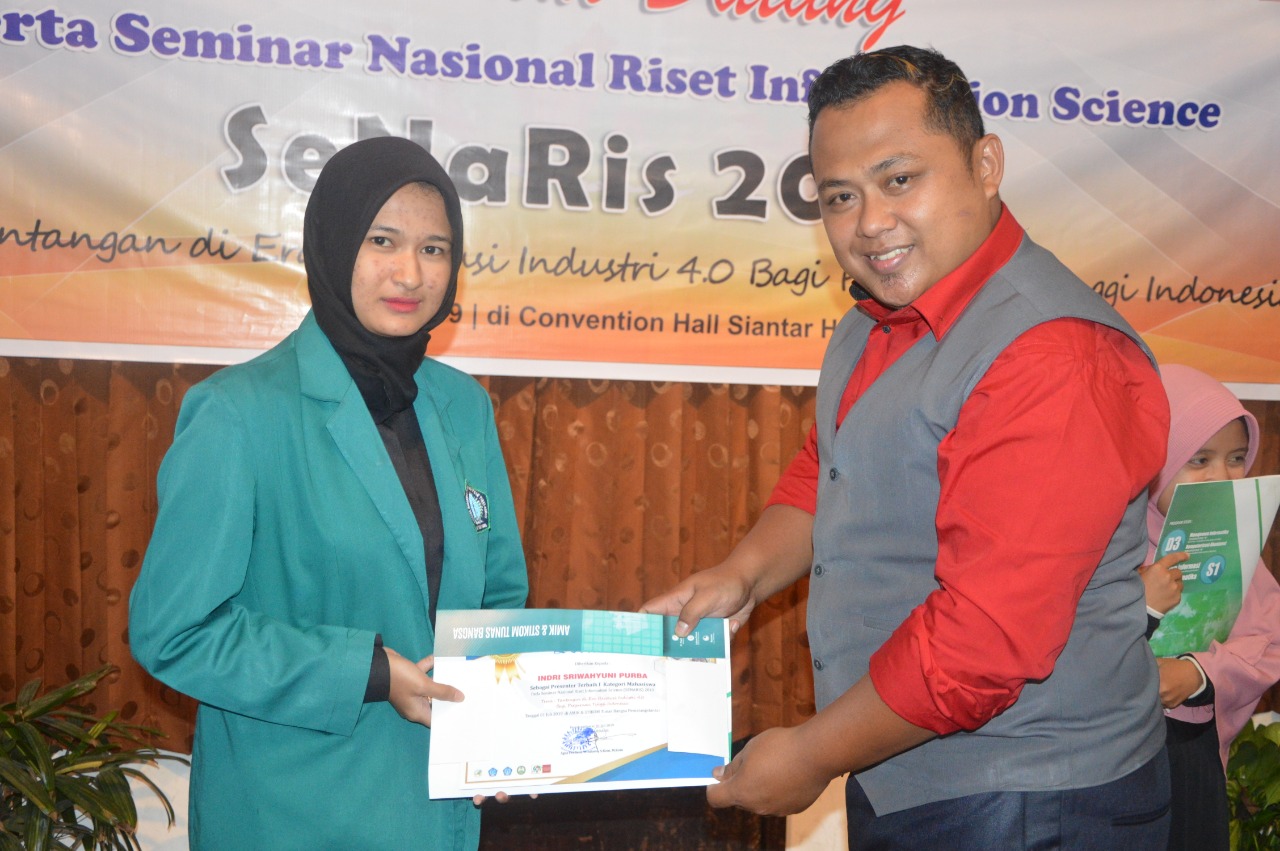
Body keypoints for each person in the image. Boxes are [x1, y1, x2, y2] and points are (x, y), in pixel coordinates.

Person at [642, 45, 1172, 849]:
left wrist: (811, 754)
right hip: (905, 771)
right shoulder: (871, 323)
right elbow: (831, 470)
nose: (869, 223)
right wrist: (741, 574)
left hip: (1033, 800)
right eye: (840, 197)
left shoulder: (1051, 353)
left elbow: (983, 640)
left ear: (986, 165)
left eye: (899, 180)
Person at [128, 136, 529, 850]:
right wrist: (367, 672)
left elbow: (498, 595)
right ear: (334, 242)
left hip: (441, 813)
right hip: (295, 815)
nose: (411, 272)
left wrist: (497, 721)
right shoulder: (239, 413)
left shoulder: (463, 406)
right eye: (383, 240)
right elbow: (176, 631)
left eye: (435, 249)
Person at [1140, 364, 1280, 851]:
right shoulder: (1108, 540)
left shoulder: (1234, 546)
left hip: (1189, 755)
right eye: (1198, 459)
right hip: (1111, 758)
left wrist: (1199, 673)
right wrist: (1141, 605)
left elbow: (1269, 639)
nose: (1222, 476)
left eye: (1237, 458)